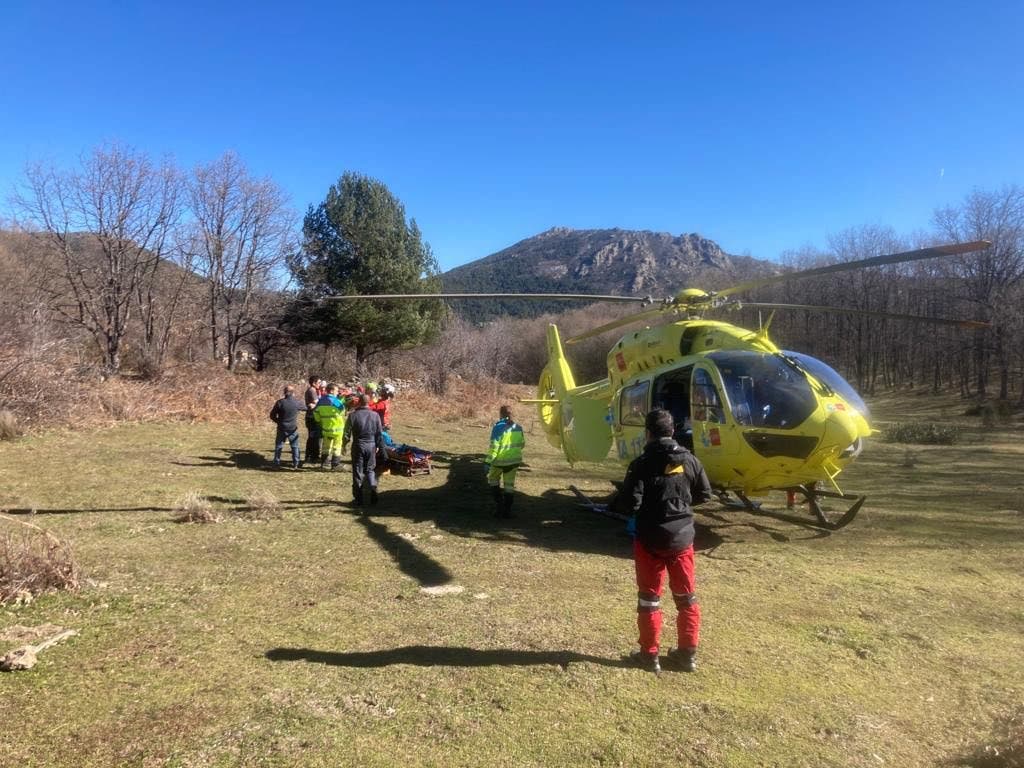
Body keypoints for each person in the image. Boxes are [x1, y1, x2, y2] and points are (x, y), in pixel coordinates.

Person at [622, 408, 712, 674]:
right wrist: (681, 503)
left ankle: (649, 656)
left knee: (649, 599)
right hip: (682, 538)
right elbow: (705, 494)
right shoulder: (691, 460)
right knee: (687, 598)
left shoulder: (640, 464)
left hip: (649, 539)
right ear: (672, 431)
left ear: (647, 433)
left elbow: (629, 503)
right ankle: (688, 655)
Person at [343, 394, 385, 506]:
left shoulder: (353, 415)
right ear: (369, 402)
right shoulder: (375, 415)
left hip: (358, 445)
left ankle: (359, 498)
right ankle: (373, 488)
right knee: (370, 470)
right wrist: (378, 446)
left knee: (358, 470)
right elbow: (379, 433)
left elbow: (346, 433)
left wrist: (344, 445)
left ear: (359, 402)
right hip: (371, 445)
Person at [485, 405, 525, 519]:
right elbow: (522, 444)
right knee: (509, 486)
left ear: (500, 414)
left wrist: (488, 462)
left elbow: (494, 447)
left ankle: (499, 506)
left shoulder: (498, 427)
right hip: (513, 462)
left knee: (493, 480)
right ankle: (507, 510)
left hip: (499, 461)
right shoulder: (518, 427)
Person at [269, 385, 306, 469]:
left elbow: (272, 415)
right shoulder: (297, 403)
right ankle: (296, 463)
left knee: (279, 446)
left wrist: (278, 421)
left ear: (284, 392)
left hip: (281, 427)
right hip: (292, 428)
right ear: (293, 393)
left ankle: (276, 463)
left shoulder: (280, 402)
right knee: (295, 446)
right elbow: (306, 408)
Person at [313, 383, 346, 470]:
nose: (337, 392)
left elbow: (315, 412)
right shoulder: (336, 401)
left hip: (326, 428)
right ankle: (335, 464)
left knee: (326, 446)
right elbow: (343, 411)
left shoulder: (320, 401)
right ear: (331, 391)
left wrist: (319, 420)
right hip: (337, 428)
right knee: (337, 446)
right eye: (336, 391)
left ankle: (324, 463)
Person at [303, 375, 322, 468]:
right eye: (319, 382)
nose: (320, 384)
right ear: (314, 383)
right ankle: (310, 456)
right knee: (313, 437)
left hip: (313, 416)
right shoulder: (312, 391)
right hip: (312, 417)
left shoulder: (314, 390)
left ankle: (314, 455)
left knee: (315, 437)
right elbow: (316, 403)